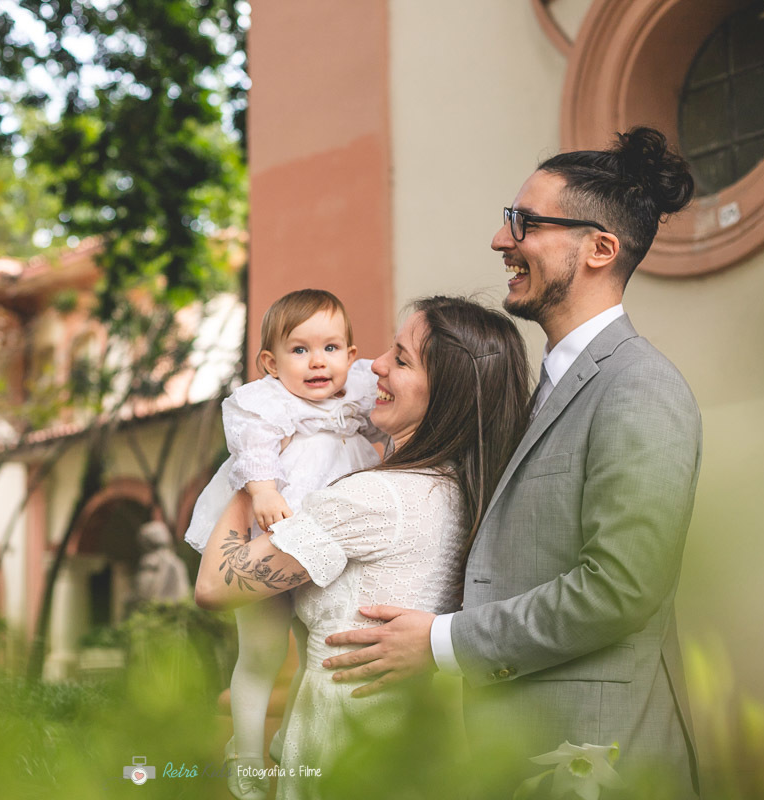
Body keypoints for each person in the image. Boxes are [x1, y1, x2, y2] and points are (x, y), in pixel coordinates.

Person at [321, 128, 702, 796]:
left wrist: (443, 643)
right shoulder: (550, 388)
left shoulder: (641, 387)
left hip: (598, 761)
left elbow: (620, 589)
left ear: (599, 249)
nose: (502, 240)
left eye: (525, 223)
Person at [196, 296, 530, 800]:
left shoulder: (374, 498)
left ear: (444, 391)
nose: (373, 365)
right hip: (400, 737)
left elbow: (213, 588)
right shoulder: (459, 489)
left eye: (401, 359)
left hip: (342, 741)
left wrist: (255, 477)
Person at [185, 288, 384, 800]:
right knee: (263, 652)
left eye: (331, 348)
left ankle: (284, 738)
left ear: (351, 355)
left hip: (321, 545)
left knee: (313, 644)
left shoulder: (358, 396)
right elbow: (251, 453)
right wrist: (264, 491)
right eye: (300, 350)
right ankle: (247, 757)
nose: (318, 361)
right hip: (270, 534)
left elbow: (388, 428)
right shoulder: (266, 403)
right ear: (271, 364)